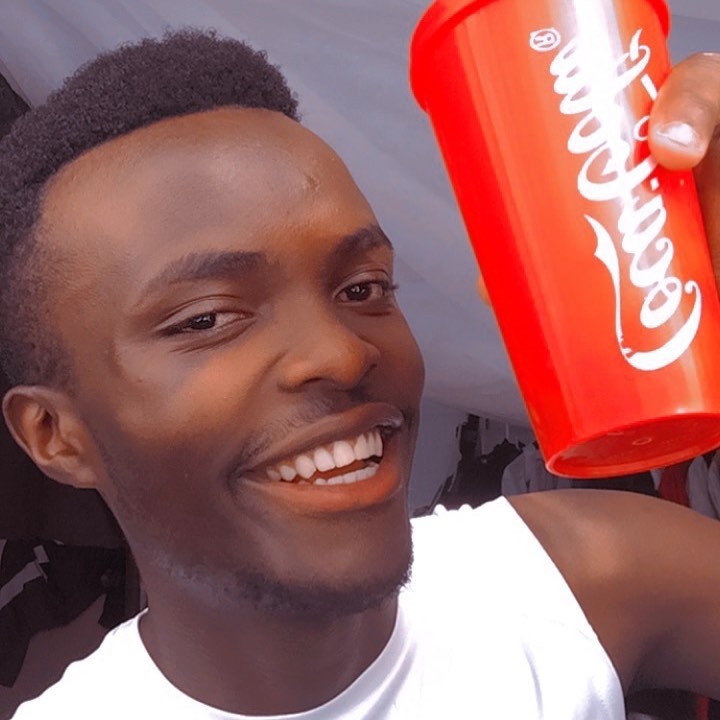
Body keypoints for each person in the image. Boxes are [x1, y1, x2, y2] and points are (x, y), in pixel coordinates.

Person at [0, 29, 719, 719]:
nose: (341, 355)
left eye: (363, 288)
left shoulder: (574, 575)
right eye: (207, 319)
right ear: (55, 434)